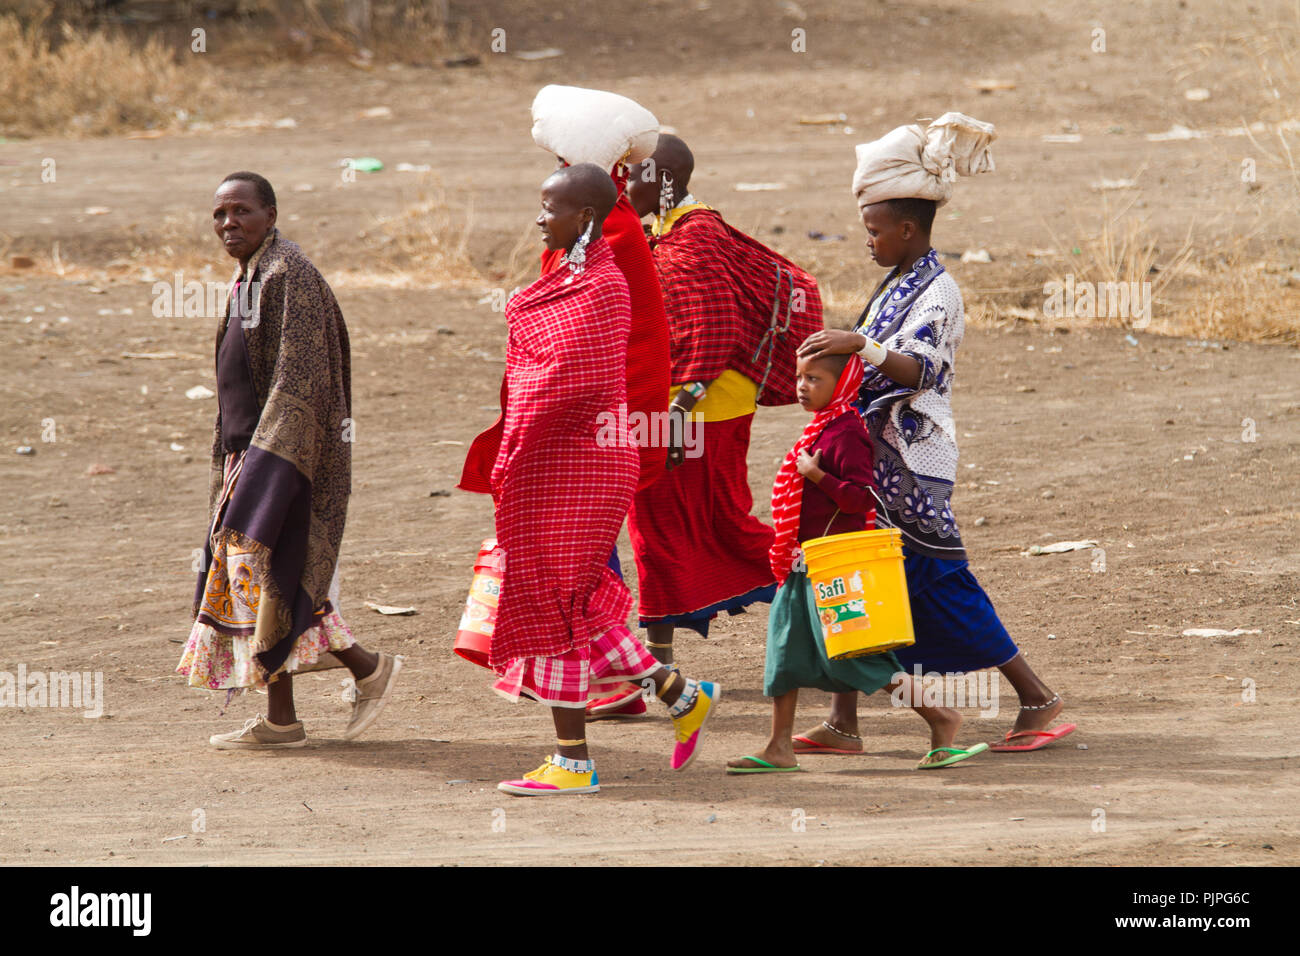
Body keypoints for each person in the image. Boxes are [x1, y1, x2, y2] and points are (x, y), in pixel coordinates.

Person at [795, 114, 1076, 755]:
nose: (867, 241)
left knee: (936, 579)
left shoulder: (939, 291)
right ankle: (843, 722)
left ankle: (1038, 699)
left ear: (907, 229)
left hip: (916, 459)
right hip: (877, 452)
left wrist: (858, 343)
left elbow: (923, 368)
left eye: (873, 231)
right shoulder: (900, 281)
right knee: (863, 570)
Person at [461, 164, 719, 796]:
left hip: (584, 462)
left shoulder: (600, 284)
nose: (538, 218)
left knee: (554, 602)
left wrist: (518, 428)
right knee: (570, 600)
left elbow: (562, 382)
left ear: (583, 217)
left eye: (549, 208)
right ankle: (680, 694)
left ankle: (573, 762)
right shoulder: (575, 275)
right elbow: (540, 368)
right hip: (568, 459)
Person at [458, 85, 672, 719]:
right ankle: (639, 685)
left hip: (594, 424)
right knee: (577, 563)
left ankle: (593, 700)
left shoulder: (607, 243)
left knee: (571, 564)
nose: (542, 206)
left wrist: (534, 429)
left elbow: (579, 346)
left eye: (556, 173)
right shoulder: (595, 231)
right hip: (591, 418)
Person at [177, 171, 402, 748]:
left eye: (242, 212)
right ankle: (337, 687)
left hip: (282, 459)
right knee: (271, 578)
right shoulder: (251, 275)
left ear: (270, 216)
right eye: (220, 215)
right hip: (249, 455)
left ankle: (336, 686)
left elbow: (300, 382)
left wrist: (265, 468)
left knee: (266, 573)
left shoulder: (289, 277)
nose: (229, 224)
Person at [614, 133, 824, 679]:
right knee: (657, 528)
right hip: (680, 402)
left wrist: (679, 409)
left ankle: (829, 588)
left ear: (659, 182)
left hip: (698, 407)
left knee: (714, 524)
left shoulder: (695, 235)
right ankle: (654, 670)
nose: (622, 185)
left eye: (630, 176)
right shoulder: (665, 229)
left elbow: (716, 327)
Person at [726, 351, 985, 772]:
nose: (802, 386)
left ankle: (942, 717)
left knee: (861, 656)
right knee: (785, 652)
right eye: (800, 377)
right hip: (803, 563)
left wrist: (815, 475)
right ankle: (778, 746)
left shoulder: (845, 433)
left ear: (843, 382)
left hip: (833, 565)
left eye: (815, 379)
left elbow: (861, 498)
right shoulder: (822, 427)